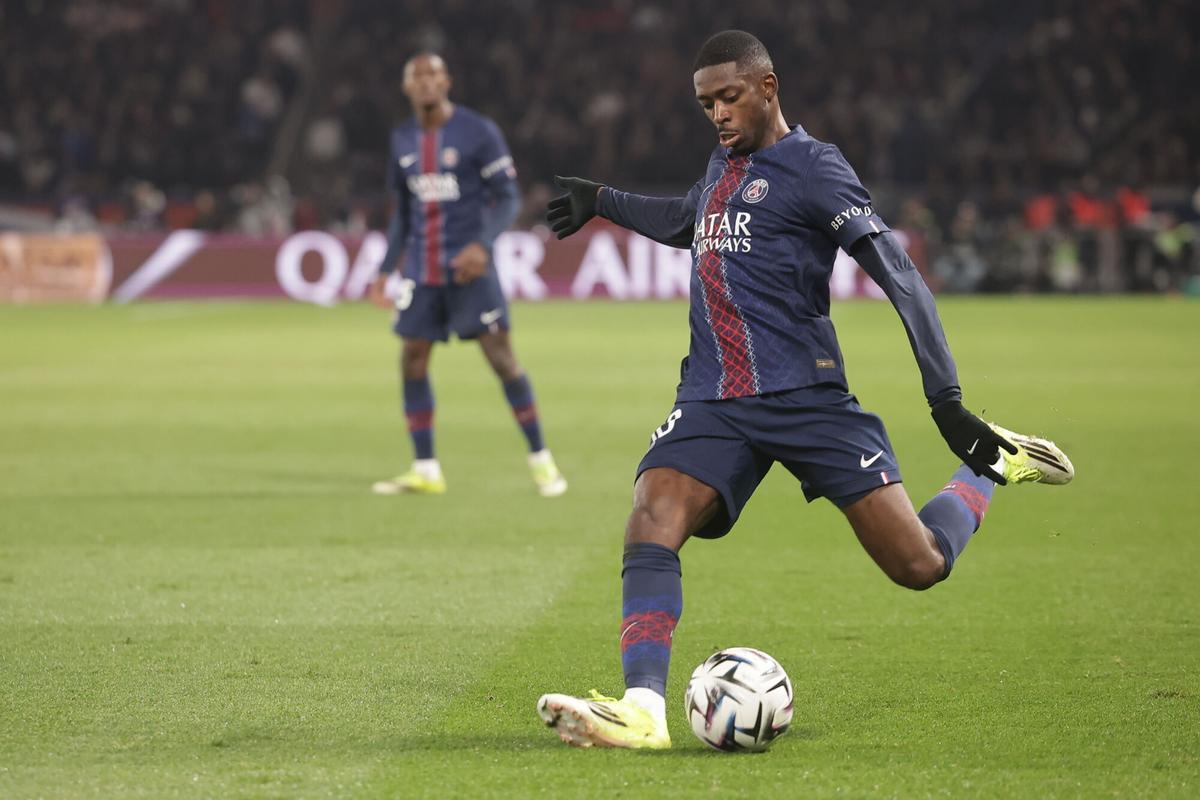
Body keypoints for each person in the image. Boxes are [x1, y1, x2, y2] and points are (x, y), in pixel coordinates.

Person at [535, 30, 1073, 749]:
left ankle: (990, 468)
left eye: (729, 97)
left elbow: (899, 274)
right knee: (652, 516)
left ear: (768, 87)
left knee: (918, 565)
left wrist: (945, 401)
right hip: (713, 398)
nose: (718, 114)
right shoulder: (723, 164)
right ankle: (643, 712)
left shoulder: (816, 168)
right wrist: (603, 199)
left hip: (805, 397)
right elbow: (688, 220)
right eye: (706, 104)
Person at [369, 53, 566, 497]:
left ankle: (542, 462)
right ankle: (425, 468)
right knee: (412, 359)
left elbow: (508, 197)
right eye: (417, 76)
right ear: (406, 87)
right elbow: (402, 212)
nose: (425, 82)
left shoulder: (478, 131)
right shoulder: (402, 139)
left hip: (470, 271)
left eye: (433, 75)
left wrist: (482, 244)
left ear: (447, 82)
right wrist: (384, 269)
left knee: (502, 361)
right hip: (422, 271)